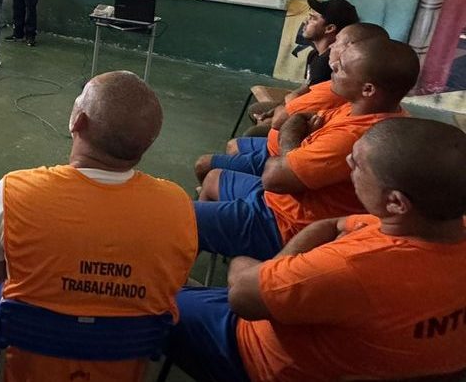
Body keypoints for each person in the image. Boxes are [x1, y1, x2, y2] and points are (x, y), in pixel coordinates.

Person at [168, 118, 466, 382]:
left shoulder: (353, 267)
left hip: (260, 355)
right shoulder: (432, 226)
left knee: (152, 300)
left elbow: (243, 295)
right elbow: (336, 225)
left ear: (397, 203)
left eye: (359, 164)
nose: (347, 161)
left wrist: (251, 265)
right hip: (329, 338)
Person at [0, 71, 197, 381]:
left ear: (77, 121)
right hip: (124, 354)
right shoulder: (178, 205)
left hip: (32, 356)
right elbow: (174, 281)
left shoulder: (14, 191)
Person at [194, 37, 419, 260]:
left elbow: (275, 175)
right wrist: (295, 138)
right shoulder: (362, 110)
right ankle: (191, 247)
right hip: (278, 200)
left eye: (342, 68)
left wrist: (291, 136)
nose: (333, 66)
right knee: (213, 177)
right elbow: (302, 122)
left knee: (177, 217)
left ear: (368, 89)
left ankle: (186, 258)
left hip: (283, 224)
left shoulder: (354, 136)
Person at [195, 22, 390, 186]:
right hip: (281, 154)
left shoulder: (348, 119)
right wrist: (292, 116)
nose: (332, 47)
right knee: (233, 145)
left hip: (281, 194)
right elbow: (300, 105)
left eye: (338, 42)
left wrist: (289, 143)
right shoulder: (351, 104)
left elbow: (282, 132)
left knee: (209, 167)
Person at [245, 0, 359, 136]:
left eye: (313, 18)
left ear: (329, 28)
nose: (306, 21)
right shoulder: (314, 55)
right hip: (301, 105)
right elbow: (305, 88)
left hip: (313, 115)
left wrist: (279, 112)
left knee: (255, 132)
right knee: (257, 110)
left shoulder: (328, 64)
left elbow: (314, 104)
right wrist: (278, 108)